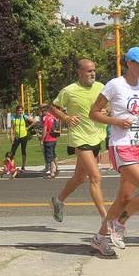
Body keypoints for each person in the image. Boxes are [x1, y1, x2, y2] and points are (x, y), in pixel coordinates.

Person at [89, 47, 139, 256]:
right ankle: (118, 225)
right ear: (129, 63)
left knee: (124, 199)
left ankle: (99, 238)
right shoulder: (114, 85)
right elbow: (93, 113)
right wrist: (116, 121)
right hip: (121, 145)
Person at [49, 59, 108, 224]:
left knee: (80, 177)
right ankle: (106, 219)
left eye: (94, 70)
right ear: (79, 72)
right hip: (79, 138)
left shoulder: (101, 87)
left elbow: (109, 107)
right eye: (89, 71)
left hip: (96, 136)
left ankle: (59, 200)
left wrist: (106, 110)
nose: (93, 73)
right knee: (95, 177)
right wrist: (66, 117)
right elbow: (53, 107)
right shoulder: (69, 90)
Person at [9, 105, 34, 171]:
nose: (20, 111)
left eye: (21, 110)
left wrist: (28, 128)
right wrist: (11, 137)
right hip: (16, 137)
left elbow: (34, 121)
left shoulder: (24, 116)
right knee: (12, 152)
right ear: (16, 111)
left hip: (24, 136)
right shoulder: (13, 118)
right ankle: (11, 166)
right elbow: (12, 128)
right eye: (19, 110)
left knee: (23, 151)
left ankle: (23, 166)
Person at [40, 104, 59, 178]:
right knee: (54, 154)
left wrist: (42, 139)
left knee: (49, 156)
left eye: (42, 110)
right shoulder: (53, 117)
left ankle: (52, 173)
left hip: (48, 139)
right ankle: (57, 168)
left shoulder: (46, 118)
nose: (42, 112)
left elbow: (45, 129)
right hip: (54, 138)